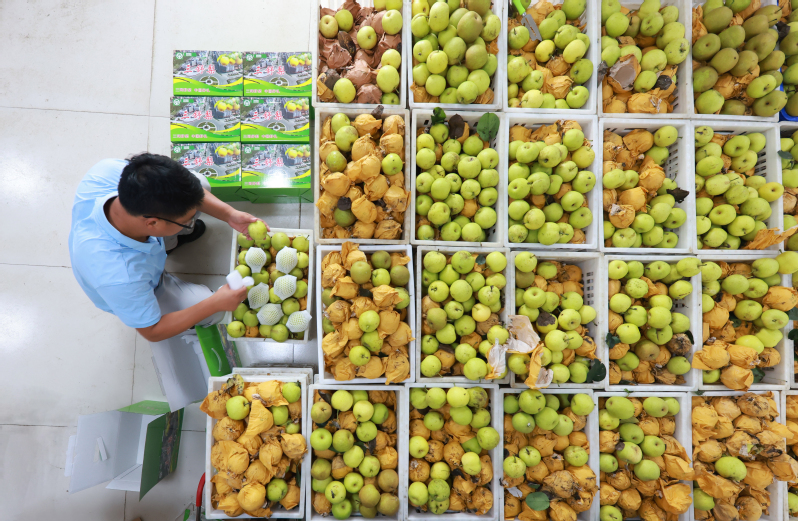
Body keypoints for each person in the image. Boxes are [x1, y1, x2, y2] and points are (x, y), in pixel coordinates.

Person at [69, 153, 267, 343]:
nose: (193, 219)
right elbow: (152, 331)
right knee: (215, 311)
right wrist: (216, 303)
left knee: (200, 183)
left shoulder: (108, 172)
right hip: (143, 286)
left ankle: (171, 242)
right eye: (187, 221)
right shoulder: (121, 277)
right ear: (153, 223)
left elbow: (187, 193)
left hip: (145, 250)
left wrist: (229, 214)